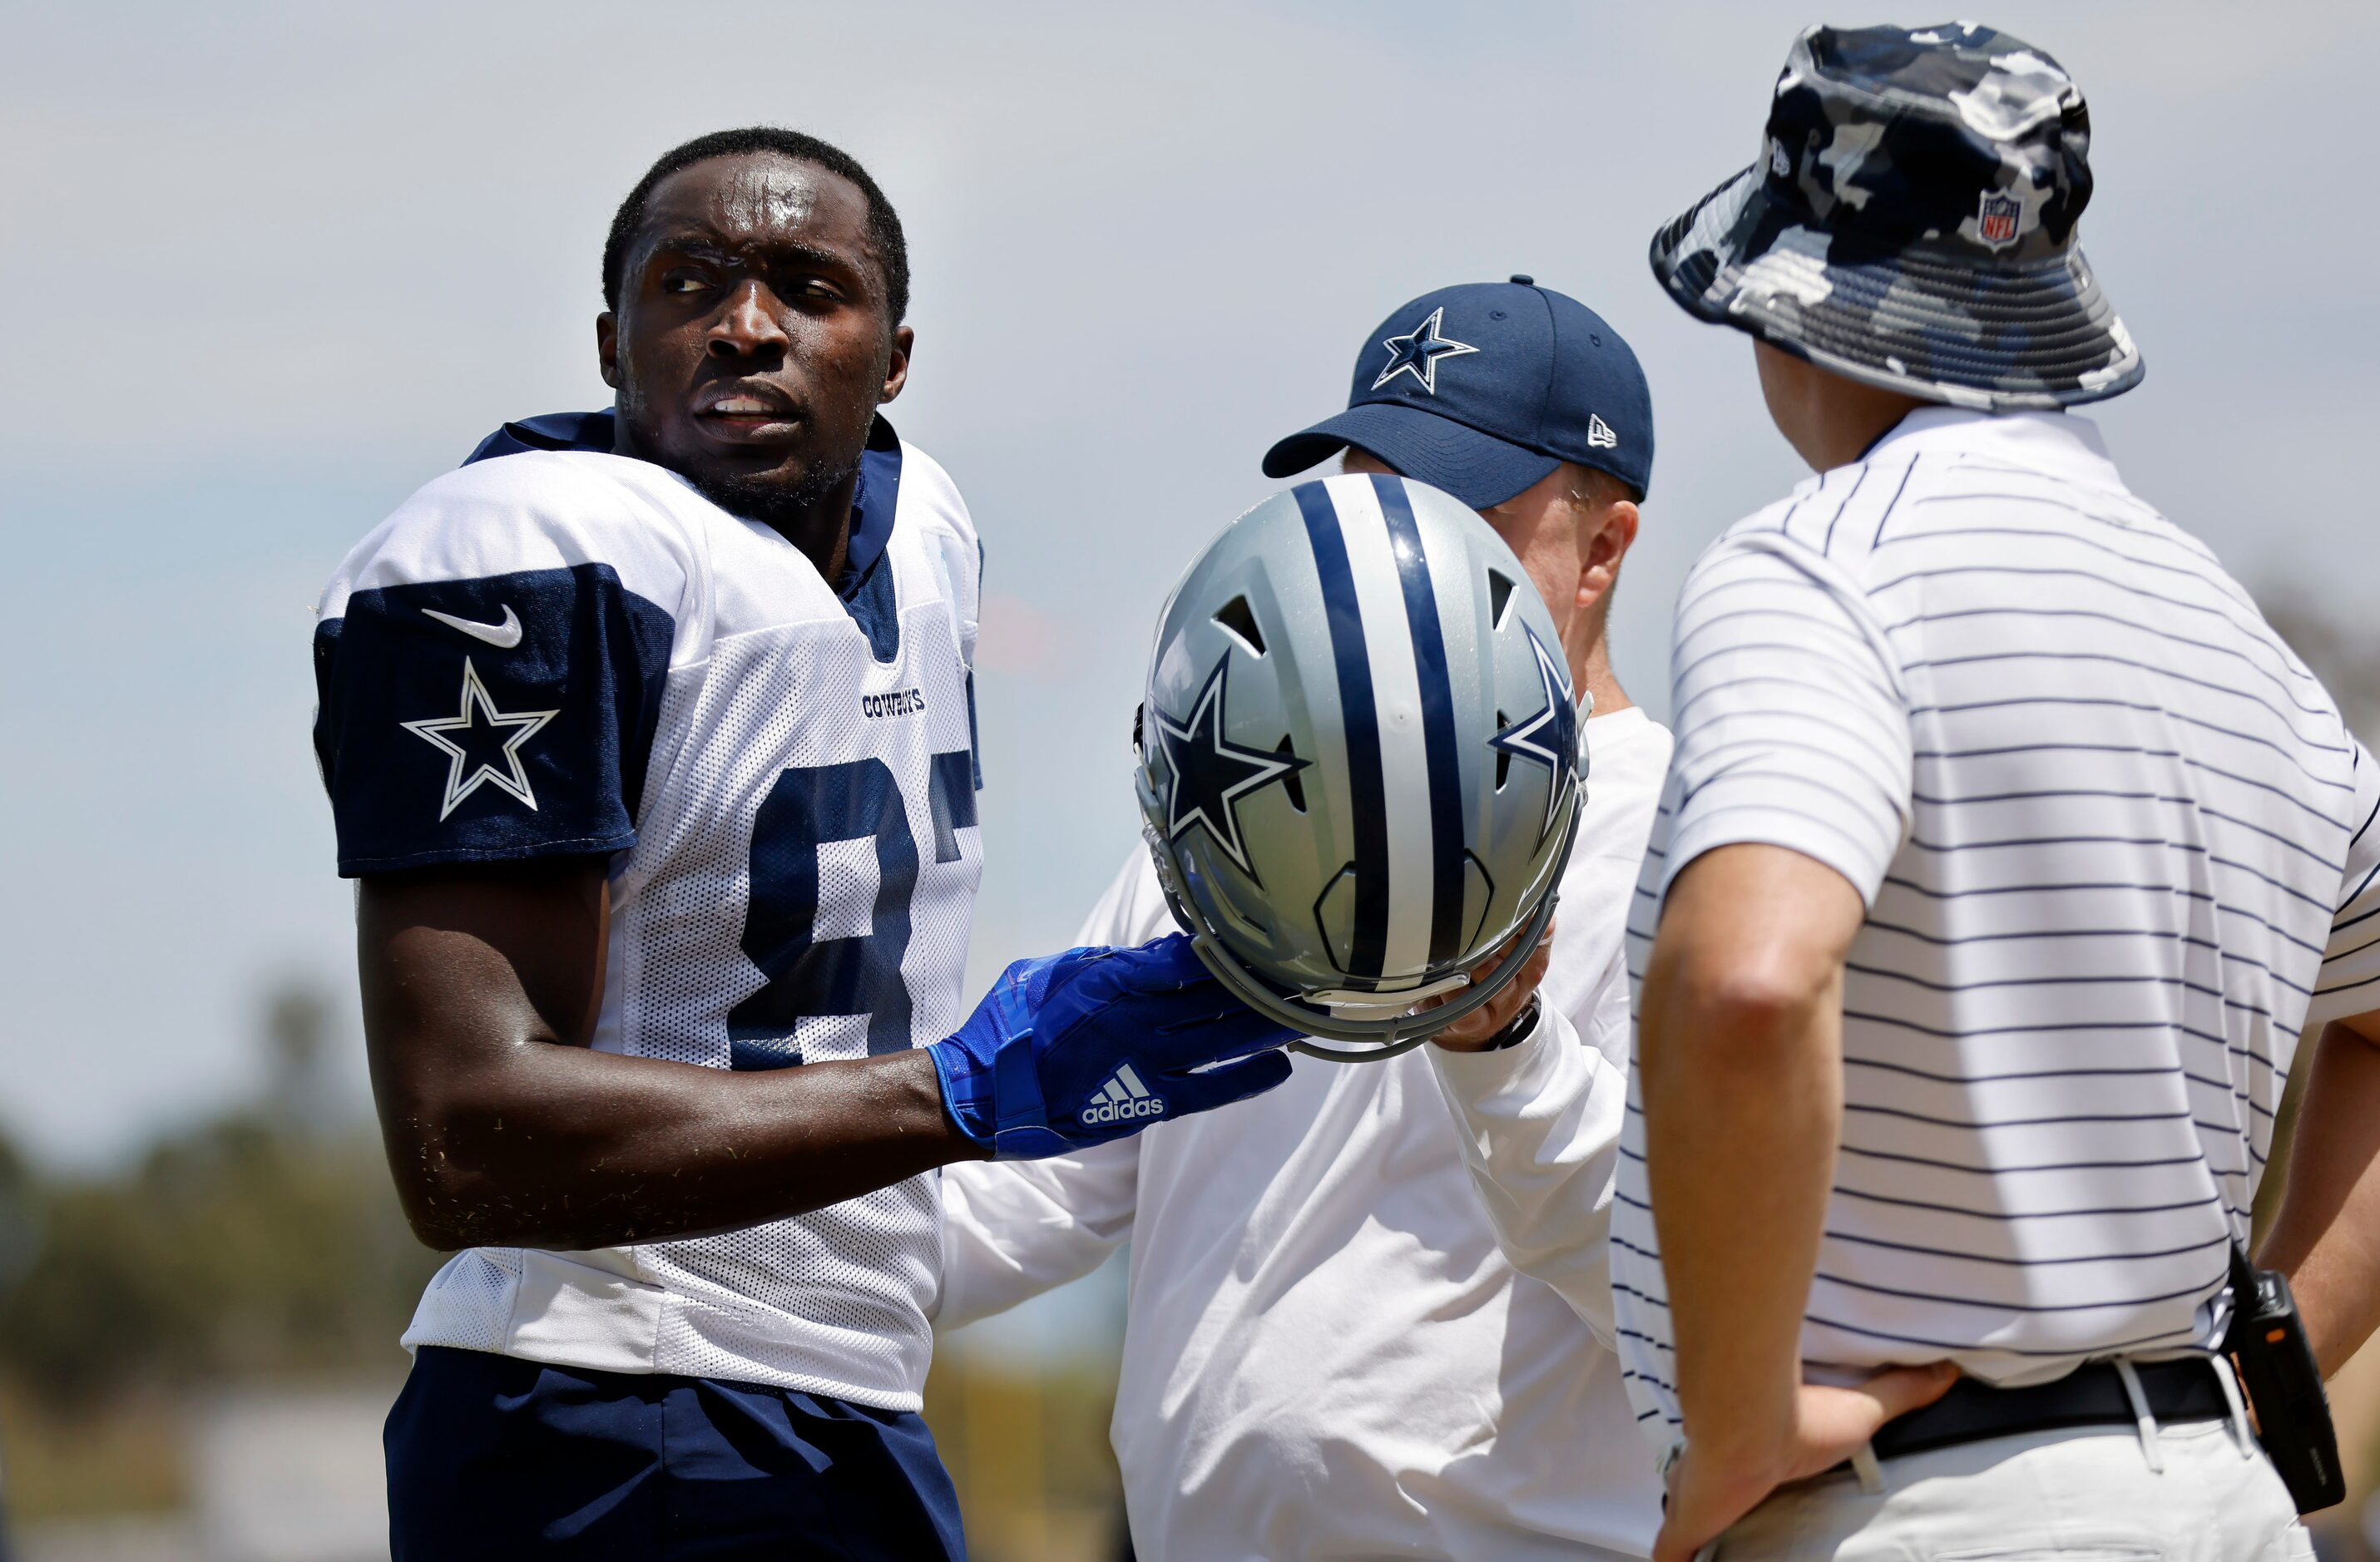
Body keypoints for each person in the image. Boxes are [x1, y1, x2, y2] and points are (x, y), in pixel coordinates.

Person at [1439, 24, 2380, 1560]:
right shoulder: (2235, 639)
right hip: (2213, 1502)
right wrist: (2261, 1394)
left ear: (1803, 311)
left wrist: (1741, 1423)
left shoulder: (1816, 571)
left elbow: (1747, 981)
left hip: (1921, 1508)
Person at [310, 126, 1297, 1560]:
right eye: (688, 283)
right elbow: (466, 1138)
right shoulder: (529, 550)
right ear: (611, 340)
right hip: (609, 1390)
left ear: (893, 355)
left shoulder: (930, 530)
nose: (744, 326)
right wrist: (958, 1094)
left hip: (847, 1395)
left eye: (804, 286)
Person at [937, 279, 1673, 1559]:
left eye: (1456, 501)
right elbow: (1028, 1203)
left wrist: (1502, 1042)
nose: (1397, 538)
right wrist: (682, 1231)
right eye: (1365, 489)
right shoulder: (1234, 819)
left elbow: (1681, 1290)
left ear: (1601, 547)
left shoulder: (1676, 833)